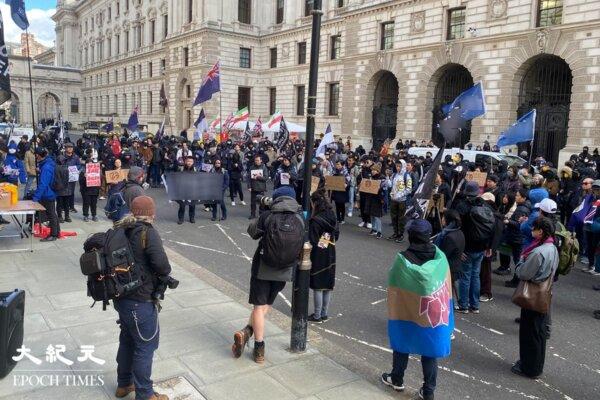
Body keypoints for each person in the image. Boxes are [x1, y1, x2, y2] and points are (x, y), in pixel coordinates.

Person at [382, 220, 452, 400]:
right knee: (430, 352)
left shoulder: (403, 259)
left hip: (407, 311)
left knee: (402, 342)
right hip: (433, 312)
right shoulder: (440, 257)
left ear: (410, 236)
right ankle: (428, 391)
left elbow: (394, 287)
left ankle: (397, 379)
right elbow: (446, 284)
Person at [232, 186, 303, 364]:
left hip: (263, 268)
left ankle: (259, 349)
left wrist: (264, 212)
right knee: (266, 305)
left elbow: (252, 232)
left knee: (258, 306)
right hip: (285, 269)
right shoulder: (300, 219)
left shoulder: (268, 216)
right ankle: (247, 331)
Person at [113, 196, 172, 400]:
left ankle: (124, 384)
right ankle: (145, 394)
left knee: (128, 340)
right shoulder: (147, 232)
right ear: (151, 214)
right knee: (145, 346)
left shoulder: (121, 229)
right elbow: (163, 266)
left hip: (121, 297)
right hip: (141, 299)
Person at [512, 216, 558, 379]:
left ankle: (528, 367)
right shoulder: (552, 247)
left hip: (533, 295)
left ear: (541, 231)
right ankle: (535, 366)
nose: (532, 231)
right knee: (538, 334)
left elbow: (523, 273)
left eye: (534, 228)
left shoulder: (538, 252)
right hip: (544, 293)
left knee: (529, 333)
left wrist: (519, 263)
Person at [308, 189, 339, 323]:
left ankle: (317, 316)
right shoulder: (332, 215)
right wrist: (326, 240)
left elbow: (314, 241)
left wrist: (320, 244)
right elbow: (336, 235)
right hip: (331, 250)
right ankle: (324, 313)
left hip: (320, 254)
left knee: (318, 285)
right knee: (328, 284)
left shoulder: (316, 220)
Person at [435, 209, 465, 301]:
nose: (442, 219)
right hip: (455, 266)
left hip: (449, 269)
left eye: (444, 218)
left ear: (449, 220)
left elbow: (442, 255)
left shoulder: (449, 236)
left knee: (446, 295)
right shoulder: (459, 232)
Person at [32, 147, 60, 242]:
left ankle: (53, 234)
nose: (35, 157)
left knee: (51, 214)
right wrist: (40, 171)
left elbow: (43, 184)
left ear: (39, 155)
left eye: (36, 155)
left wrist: (35, 197)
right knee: (53, 214)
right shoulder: (47, 163)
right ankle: (57, 232)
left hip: (48, 194)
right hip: (50, 192)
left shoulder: (46, 167)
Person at [387, 159, 412, 242]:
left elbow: (409, 189)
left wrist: (400, 195)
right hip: (393, 199)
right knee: (393, 217)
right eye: (396, 166)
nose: (397, 168)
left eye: (399, 166)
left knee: (401, 218)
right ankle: (395, 233)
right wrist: (388, 179)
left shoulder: (406, 176)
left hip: (402, 200)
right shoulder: (394, 175)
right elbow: (391, 185)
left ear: (403, 166)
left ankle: (400, 234)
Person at [176, 156, 197, 224]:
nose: (189, 163)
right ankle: (181, 219)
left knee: (192, 205)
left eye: (191, 161)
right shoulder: (181, 169)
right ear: (185, 162)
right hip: (183, 189)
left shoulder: (195, 169)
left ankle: (192, 218)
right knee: (182, 205)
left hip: (192, 190)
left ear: (193, 162)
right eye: (188, 161)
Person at [247, 154, 268, 220]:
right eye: (255, 160)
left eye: (258, 160)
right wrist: (249, 186)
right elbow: (248, 178)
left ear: (261, 161)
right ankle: (252, 214)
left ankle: (261, 214)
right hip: (253, 187)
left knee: (261, 202)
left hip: (261, 187)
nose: (256, 161)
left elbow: (266, 177)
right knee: (253, 203)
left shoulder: (264, 167)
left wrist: (258, 177)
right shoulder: (252, 167)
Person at [54, 156, 73, 223]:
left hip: (59, 188)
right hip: (65, 189)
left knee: (59, 204)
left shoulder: (55, 168)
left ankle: (60, 217)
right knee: (66, 204)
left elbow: (56, 179)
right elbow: (67, 179)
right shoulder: (65, 168)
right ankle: (66, 217)